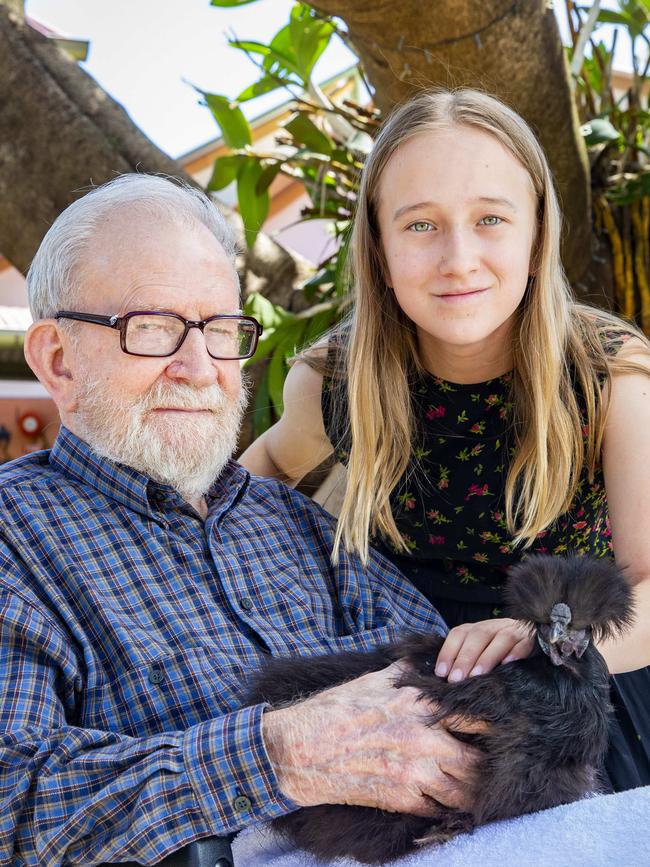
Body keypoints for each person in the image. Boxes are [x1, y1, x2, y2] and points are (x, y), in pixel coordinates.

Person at [0, 174, 479, 866]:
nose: (199, 367)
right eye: (155, 327)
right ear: (57, 359)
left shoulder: (301, 525)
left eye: (220, 330)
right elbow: (13, 799)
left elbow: (453, 683)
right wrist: (277, 755)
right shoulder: (16, 537)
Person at [240, 88, 650, 792]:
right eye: (421, 225)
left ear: (537, 234)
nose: (459, 258)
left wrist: (552, 641)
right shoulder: (334, 383)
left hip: (582, 683)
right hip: (403, 688)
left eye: (490, 218)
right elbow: (236, 502)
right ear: (377, 244)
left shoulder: (610, 377)